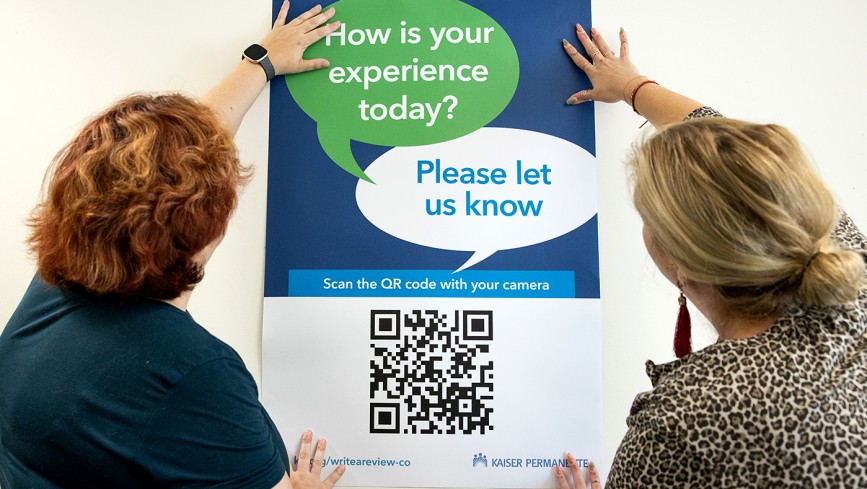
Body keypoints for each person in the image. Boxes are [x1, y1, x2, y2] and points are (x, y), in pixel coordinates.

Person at [0, 2, 346, 488]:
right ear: (207, 229)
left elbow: (166, 163)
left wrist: (260, 63)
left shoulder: (52, 293)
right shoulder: (193, 374)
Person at [555, 24, 867, 488]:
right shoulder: (849, 280)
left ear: (679, 259)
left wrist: (632, 87)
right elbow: (732, 150)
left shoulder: (681, 423)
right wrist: (632, 86)